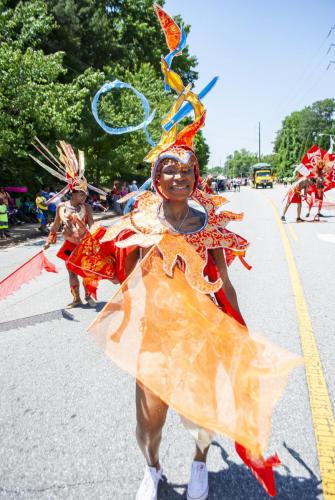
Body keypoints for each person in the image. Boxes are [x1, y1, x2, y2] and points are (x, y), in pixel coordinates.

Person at [87, 6, 302, 499]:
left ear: (195, 176)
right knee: (150, 420)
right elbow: (124, 281)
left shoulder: (209, 223)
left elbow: (224, 281)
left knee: (200, 413)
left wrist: (240, 331)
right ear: (157, 177)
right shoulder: (138, 221)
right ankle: (153, 468)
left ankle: (202, 461)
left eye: (186, 169)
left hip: (201, 331)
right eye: (168, 169)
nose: (178, 176)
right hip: (155, 338)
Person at [30, 140, 106, 308]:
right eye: (82, 195)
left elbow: (92, 225)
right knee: (72, 272)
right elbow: (56, 226)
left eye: (85, 195)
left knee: (86, 272)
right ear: (74, 194)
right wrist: (49, 241)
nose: (85, 197)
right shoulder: (61, 207)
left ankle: (89, 297)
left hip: (84, 245)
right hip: (69, 245)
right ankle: (76, 298)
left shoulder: (86, 208)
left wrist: (98, 237)